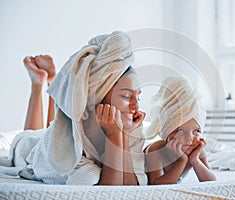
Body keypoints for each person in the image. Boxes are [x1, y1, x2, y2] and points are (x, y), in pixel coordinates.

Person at [0, 31, 147, 185]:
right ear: (96, 98)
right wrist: (115, 135)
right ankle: (38, 85)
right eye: (125, 96)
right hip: (32, 146)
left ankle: (50, 82)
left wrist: (122, 134)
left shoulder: (130, 129)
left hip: (60, 131)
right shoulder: (66, 157)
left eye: (138, 97)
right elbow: (110, 192)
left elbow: (131, 187)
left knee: (56, 122)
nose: (136, 106)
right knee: (30, 135)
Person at [144, 76, 216, 184]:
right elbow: (156, 184)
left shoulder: (196, 149)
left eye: (196, 131)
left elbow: (211, 180)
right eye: (181, 131)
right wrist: (181, 161)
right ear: (167, 134)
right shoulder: (155, 150)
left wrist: (195, 160)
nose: (189, 138)